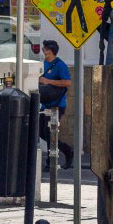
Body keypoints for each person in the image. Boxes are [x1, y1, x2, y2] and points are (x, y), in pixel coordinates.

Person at [38, 39, 74, 169]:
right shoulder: (42, 65)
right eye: (43, 49)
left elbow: (67, 82)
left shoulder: (60, 65)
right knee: (40, 131)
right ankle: (66, 149)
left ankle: (50, 163)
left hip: (57, 105)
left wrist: (48, 81)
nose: (43, 52)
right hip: (45, 104)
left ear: (51, 51)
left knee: (49, 132)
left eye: (45, 49)